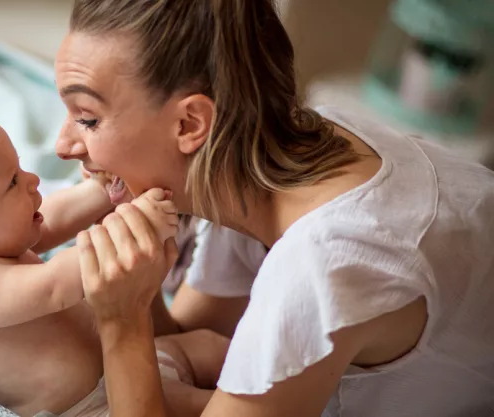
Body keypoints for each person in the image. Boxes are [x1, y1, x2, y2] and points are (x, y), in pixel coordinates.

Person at [53, 1, 494, 416]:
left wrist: (121, 322)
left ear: (190, 124)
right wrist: (137, 284)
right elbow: (194, 337)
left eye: (87, 119)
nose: (63, 146)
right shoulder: (258, 160)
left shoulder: (323, 259)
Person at [0, 108, 231, 417]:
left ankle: (271, 373)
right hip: (98, 406)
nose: (33, 180)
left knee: (211, 346)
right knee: (208, 408)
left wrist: (103, 191)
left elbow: (53, 218)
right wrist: (132, 224)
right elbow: (57, 284)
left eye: (20, 167)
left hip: (132, 359)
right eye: (11, 182)